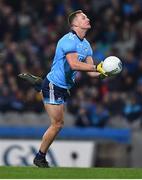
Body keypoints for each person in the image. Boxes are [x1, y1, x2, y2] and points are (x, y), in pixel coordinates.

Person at [19, 10, 108, 168]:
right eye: (83, 17)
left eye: (86, 17)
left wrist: (104, 72)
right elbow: (74, 64)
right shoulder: (68, 40)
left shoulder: (86, 45)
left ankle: (39, 84)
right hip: (54, 85)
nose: (87, 19)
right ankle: (39, 157)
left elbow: (92, 73)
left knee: (58, 123)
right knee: (57, 124)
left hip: (63, 86)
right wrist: (97, 67)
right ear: (75, 24)